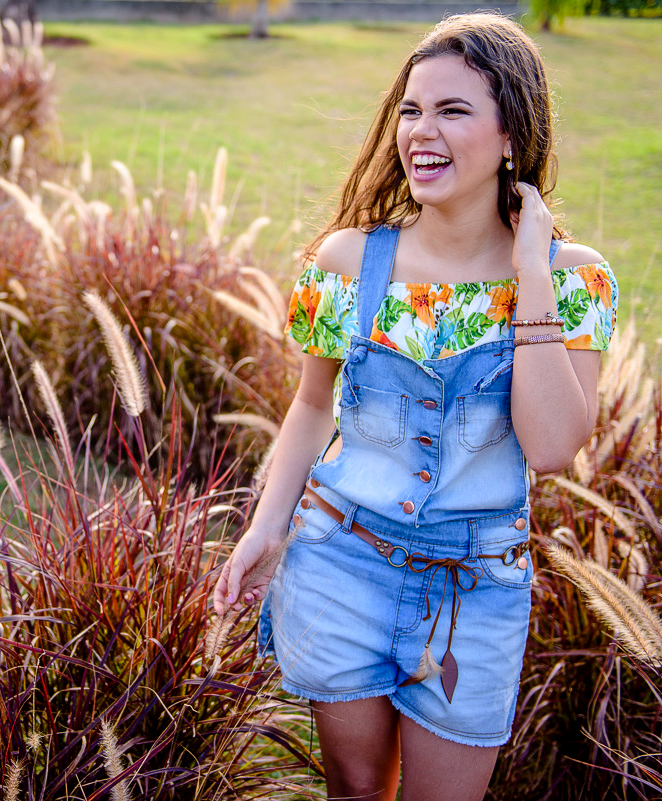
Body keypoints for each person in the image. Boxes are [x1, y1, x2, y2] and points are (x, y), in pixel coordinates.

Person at [211, 12, 618, 801]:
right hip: (341, 559)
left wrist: (531, 269)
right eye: (411, 109)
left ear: (512, 135)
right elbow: (309, 405)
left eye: (452, 111)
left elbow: (553, 446)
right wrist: (265, 527)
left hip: (478, 590)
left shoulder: (574, 278)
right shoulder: (348, 262)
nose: (419, 132)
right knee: (356, 789)